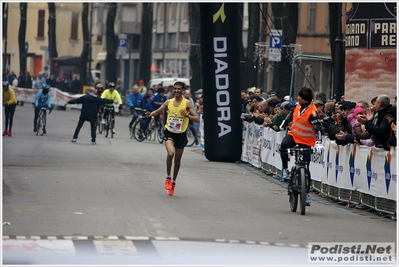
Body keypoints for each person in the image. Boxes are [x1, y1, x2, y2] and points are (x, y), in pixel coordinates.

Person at [145, 81, 199, 196]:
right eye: (175, 88)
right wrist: (150, 114)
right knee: (170, 153)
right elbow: (158, 110)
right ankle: (168, 177)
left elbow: (197, 119)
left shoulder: (187, 103)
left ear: (183, 90)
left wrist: (187, 116)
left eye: (179, 89)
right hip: (169, 132)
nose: (177, 91)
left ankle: (173, 182)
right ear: (173, 90)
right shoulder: (168, 102)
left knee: (177, 161)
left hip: (181, 135)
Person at [279, 87, 324, 206]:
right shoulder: (298, 105)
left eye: (300, 97)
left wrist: (319, 142)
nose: (298, 98)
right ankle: (285, 169)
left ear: (305, 100)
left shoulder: (313, 112)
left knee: (306, 168)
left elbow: (318, 128)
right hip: (293, 135)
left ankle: (307, 193)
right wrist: (284, 123)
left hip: (306, 141)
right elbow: (291, 114)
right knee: (284, 145)